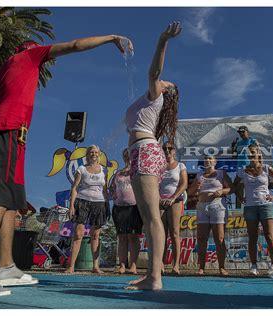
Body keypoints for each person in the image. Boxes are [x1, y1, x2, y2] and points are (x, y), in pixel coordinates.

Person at [0, 34, 133, 297]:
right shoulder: (29, 56)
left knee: (13, 202)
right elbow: (74, 45)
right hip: (9, 131)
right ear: (33, 50)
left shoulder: (3, 70)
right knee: (0, 198)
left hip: (9, 135)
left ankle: (6, 266)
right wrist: (111, 38)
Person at [124, 22, 181, 290]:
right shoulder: (148, 106)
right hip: (141, 153)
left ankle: (155, 278)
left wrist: (163, 40)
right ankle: (152, 275)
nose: (162, 80)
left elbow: (154, 70)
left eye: (166, 82)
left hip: (145, 152)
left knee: (153, 218)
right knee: (148, 218)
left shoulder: (155, 97)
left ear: (165, 91)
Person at [233, 144, 273, 277]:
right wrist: (240, 197)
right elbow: (235, 186)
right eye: (249, 154)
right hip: (250, 207)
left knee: (269, 235)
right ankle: (254, 266)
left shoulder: (267, 168)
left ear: (258, 154)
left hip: (266, 205)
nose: (251, 156)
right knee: (252, 237)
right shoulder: (243, 170)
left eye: (253, 154)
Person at [66, 145, 108, 274]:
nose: (93, 154)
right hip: (82, 201)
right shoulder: (81, 169)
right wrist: (71, 205)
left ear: (99, 154)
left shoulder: (103, 170)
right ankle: (71, 266)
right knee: (78, 234)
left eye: (96, 152)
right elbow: (74, 188)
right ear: (87, 155)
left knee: (95, 235)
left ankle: (95, 266)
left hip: (99, 203)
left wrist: (107, 206)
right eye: (91, 152)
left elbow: (105, 190)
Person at [187, 155, 232, 276]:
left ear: (215, 162)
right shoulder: (199, 175)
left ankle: (222, 267)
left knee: (219, 238)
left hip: (217, 206)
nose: (208, 160)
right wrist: (196, 187)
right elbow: (190, 192)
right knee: (201, 238)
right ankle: (201, 268)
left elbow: (231, 188)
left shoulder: (221, 173)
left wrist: (222, 191)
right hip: (202, 206)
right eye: (206, 159)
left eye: (210, 158)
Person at [110, 148, 143, 275]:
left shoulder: (137, 171)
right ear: (123, 157)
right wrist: (113, 193)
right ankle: (122, 265)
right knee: (122, 238)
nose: (127, 157)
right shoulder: (118, 173)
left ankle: (133, 265)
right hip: (119, 207)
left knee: (133, 237)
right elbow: (113, 187)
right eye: (125, 155)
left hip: (134, 207)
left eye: (130, 155)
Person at [159, 144, 188, 275]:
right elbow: (153, 184)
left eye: (169, 148)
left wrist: (173, 197)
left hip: (175, 200)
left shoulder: (181, 166)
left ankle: (176, 265)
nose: (167, 151)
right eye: (164, 149)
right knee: (161, 234)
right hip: (160, 201)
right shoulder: (159, 167)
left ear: (174, 151)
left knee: (175, 233)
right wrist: (158, 198)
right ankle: (160, 264)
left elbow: (184, 184)